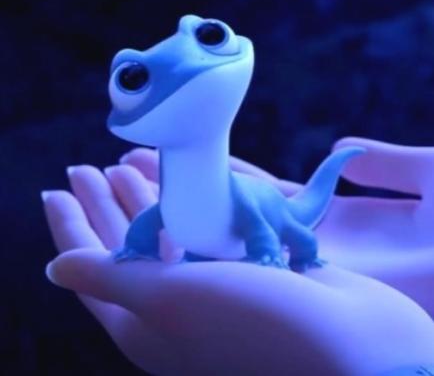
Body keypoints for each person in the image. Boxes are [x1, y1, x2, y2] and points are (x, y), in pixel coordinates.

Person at [42, 136, 434, 375]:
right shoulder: (183, 186)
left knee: (288, 232)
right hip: (201, 235)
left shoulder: (234, 194)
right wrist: (140, 244)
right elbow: (159, 215)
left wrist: (393, 365)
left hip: (269, 220)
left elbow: (260, 224)